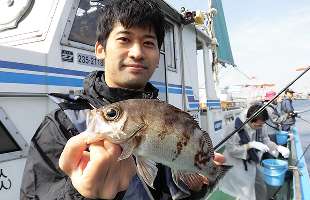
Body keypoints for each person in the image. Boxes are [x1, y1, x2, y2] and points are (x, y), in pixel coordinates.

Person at [20, 1, 224, 199]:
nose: (137, 53)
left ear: (158, 57)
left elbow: (169, 191)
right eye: (124, 39)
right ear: (100, 49)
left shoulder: (166, 113)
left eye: (148, 43)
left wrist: (197, 186)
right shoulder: (59, 124)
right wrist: (80, 194)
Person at [218, 104, 290, 200]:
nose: (260, 127)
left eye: (262, 124)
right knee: (246, 193)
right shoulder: (233, 128)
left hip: (252, 160)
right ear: (250, 120)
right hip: (236, 164)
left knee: (260, 187)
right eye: (258, 125)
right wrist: (249, 145)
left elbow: (265, 140)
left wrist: (278, 147)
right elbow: (232, 150)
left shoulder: (261, 124)